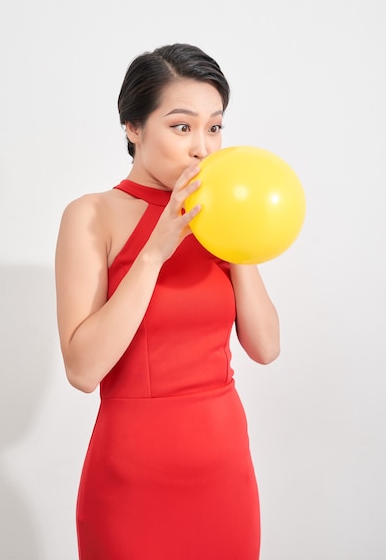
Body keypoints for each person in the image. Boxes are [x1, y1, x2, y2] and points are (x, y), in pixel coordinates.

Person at [55, 43, 280, 560]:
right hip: (131, 477)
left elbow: (266, 348)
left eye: (215, 127)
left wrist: (237, 239)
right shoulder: (91, 215)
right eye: (182, 127)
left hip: (223, 471)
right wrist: (156, 249)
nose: (202, 147)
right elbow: (83, 369)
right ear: (133, 127)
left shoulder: (219, 219)